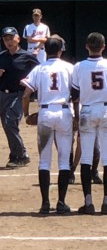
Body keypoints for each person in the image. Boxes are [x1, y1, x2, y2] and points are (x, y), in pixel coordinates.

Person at [21, 36, 74, 214]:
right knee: (64, 160)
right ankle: (61, 202)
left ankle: (45, 203)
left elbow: (26, 94)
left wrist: (27, 114)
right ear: (60, 50)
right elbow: (76, 94)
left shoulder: (39, 68)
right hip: (64, 112)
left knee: (44, 161)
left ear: (45, 50)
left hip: (44, 113)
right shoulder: (69, 67)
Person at [72, 32, 107, 215]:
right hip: (106, 110)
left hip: (87, 109)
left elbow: (74, 94)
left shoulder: (79, 66)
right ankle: (106, 202)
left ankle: (88, 202)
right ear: (103, 47)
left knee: (86, 158)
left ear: (87, 46)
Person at [0, 26, 40, 167]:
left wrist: (29, 82)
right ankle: (18, 153)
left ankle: (20, 155)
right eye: (6, 39)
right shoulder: (1, 56)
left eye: (11, 38)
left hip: (19, 95)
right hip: (2, 95)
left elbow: (40, 73)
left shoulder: (27, 57)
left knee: (10, 121)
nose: (9, 41)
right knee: (7, 125)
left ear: (18, 39)